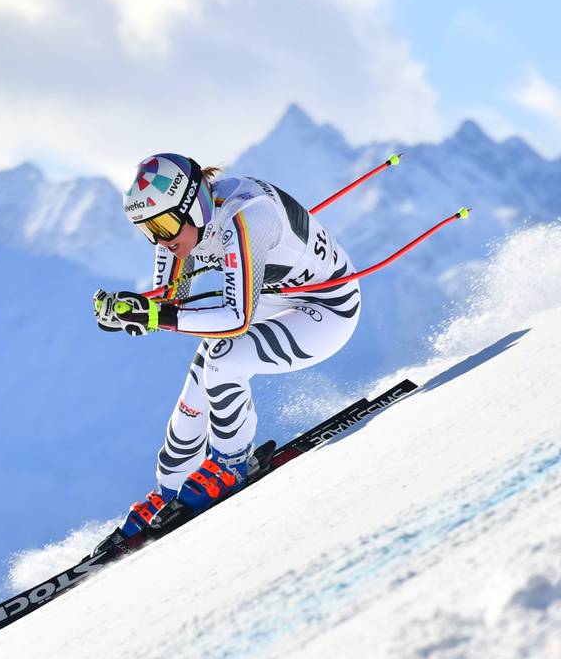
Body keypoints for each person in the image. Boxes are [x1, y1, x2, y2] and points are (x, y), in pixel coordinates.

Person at [92, 153, 361, 551]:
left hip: (327, 310)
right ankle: (168, 487)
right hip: (278, 299)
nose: (161, 239)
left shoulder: (247, 217)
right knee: (204, 366)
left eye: (164, 224)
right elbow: (170, 301)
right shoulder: (179, 226)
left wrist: (152, 315)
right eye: (147, 229)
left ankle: (231, 462)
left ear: (193, 204)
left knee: (223, 360)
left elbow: (234, 318)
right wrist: (126, 310)